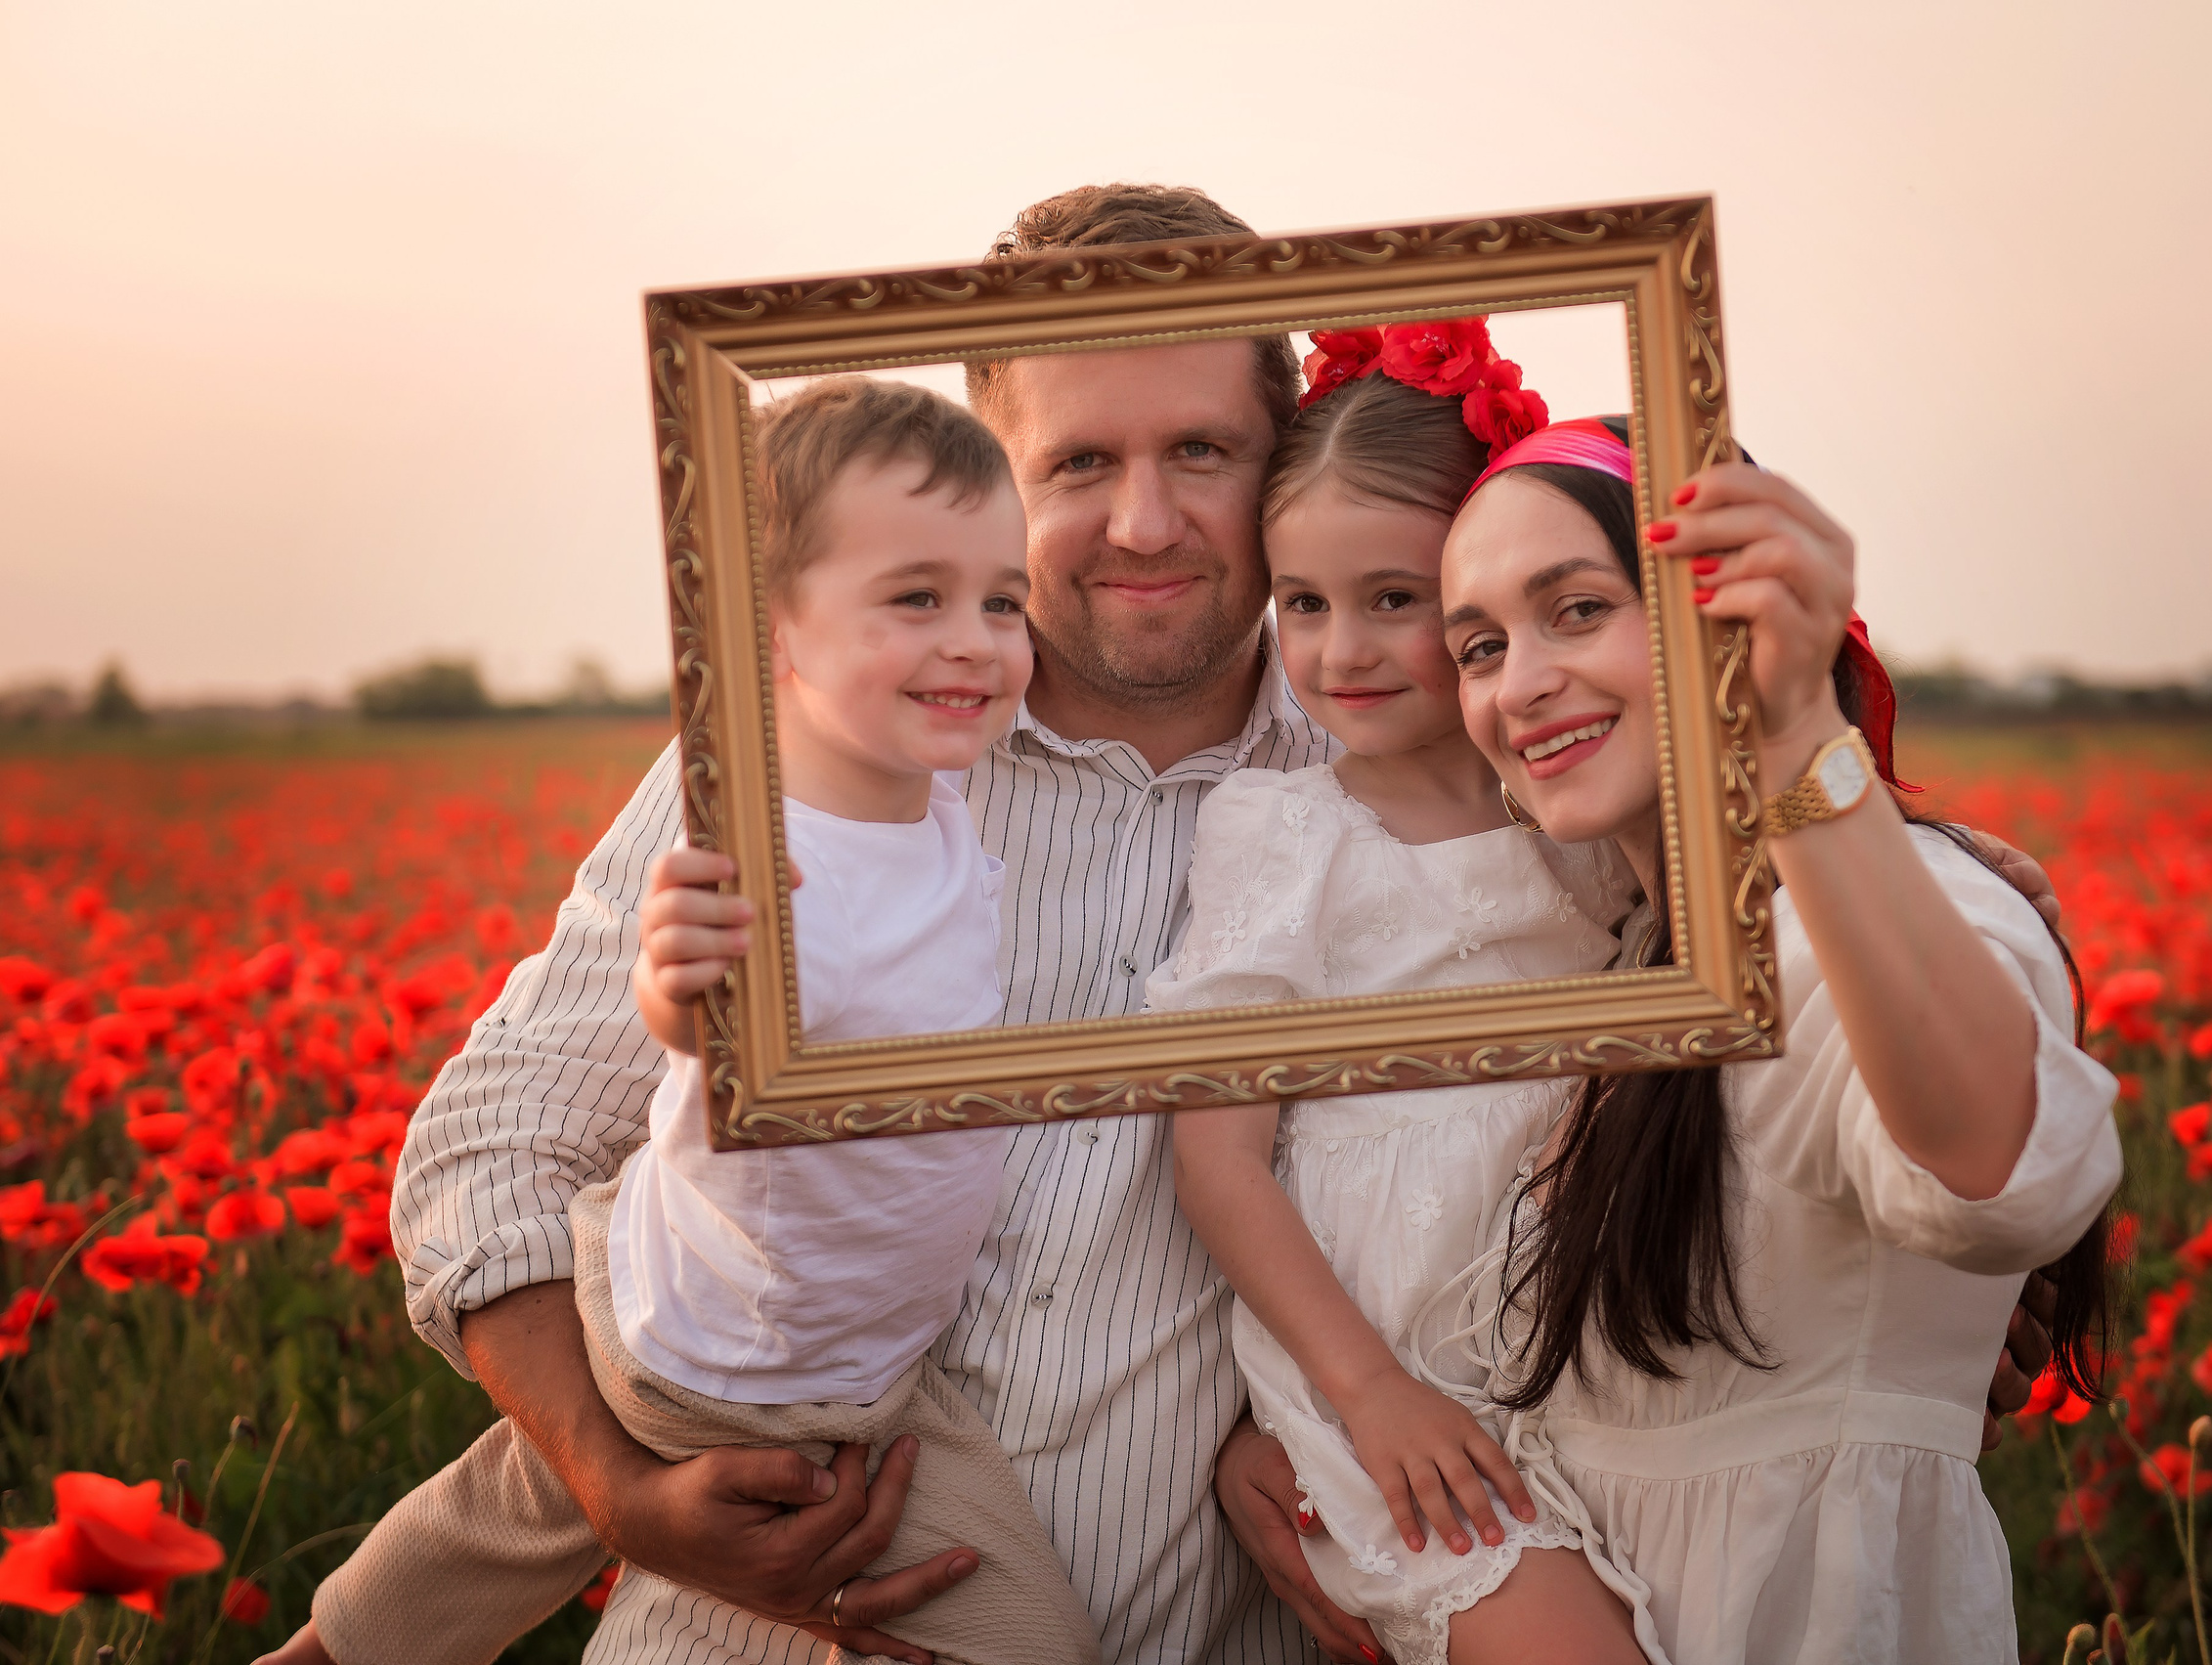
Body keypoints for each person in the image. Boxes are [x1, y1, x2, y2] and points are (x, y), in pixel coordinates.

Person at [269, 183, 2066, 1665]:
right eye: (1076, 465)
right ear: (993, 468)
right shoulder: (823, 749)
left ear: (1282, 450)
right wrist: (609, 1484)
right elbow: (494, 1145)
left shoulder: (1444, 769)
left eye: (1200, 449)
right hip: (761, 1625)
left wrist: (1340, 1440)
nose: (1140, 523)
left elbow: (1648, 1061)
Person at [269, 378, 1101, 1665]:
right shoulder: (755, 837)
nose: (981, 639)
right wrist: (684, 992)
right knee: (1023, 1631)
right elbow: (690, 993)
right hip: (750, 1357)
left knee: (523, 1499)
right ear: (769, 633)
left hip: (783, 1313)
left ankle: (337, 1644)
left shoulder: (928, 791)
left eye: (1003, 598)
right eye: (917, 597)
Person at [1436, 418, 2124, 1663]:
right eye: (1479, 645)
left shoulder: (1881, 911)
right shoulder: (1632, 954)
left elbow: (2003, 1175)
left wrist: (1798, 732)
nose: (1515, 683)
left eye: (1576, 610)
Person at [1157, 323, 1660, 1665]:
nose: (1342, 651)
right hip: (1382, 1383)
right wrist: (1364, 1388)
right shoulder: (1283, 827)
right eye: (1304, 602)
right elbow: (1218, 1157)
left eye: (1396, 599)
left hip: (1596, 1356)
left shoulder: (1581, 812)